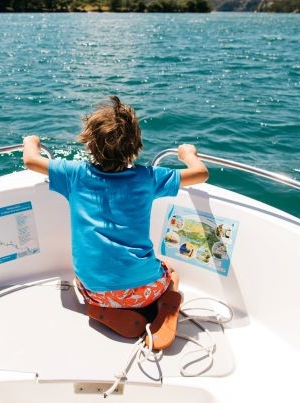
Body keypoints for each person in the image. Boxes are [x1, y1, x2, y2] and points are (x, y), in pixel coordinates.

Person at [23, 96, 208, 349]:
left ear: (89, 144)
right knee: (172, 274)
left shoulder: (73, 175)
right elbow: (200, 173)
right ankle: (162, 307)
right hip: (146, 288)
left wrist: (31, 142)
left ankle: (107, 311)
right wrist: (188, 154)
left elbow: (31, 160)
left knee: (101, 281)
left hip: (94, 291)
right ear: (135, 146)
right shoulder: (148, 178)